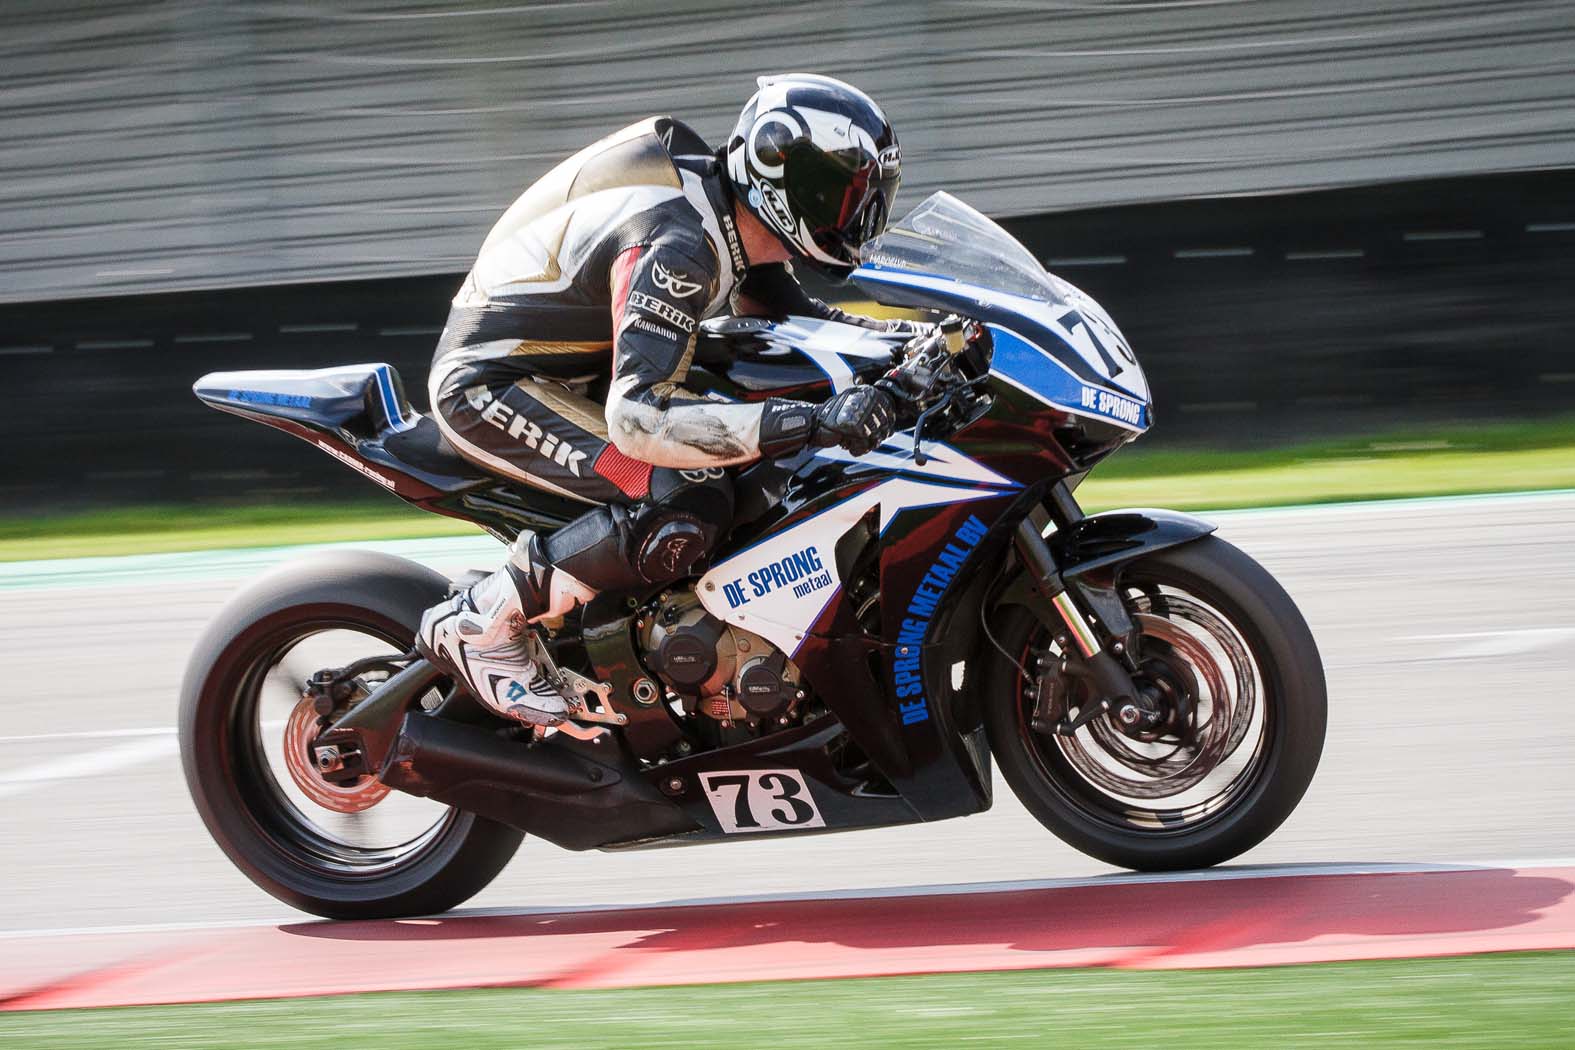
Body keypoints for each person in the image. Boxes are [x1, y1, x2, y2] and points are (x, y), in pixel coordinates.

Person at [416, 73, 921, 726]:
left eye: (866, 199)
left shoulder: (730, 217)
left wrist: (915, 341)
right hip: (492, 389)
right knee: (687, 494)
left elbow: (796, 317)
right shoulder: (681, 245)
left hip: (572, 375)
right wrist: (814, 421)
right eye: (841, 193)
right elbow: (639, 420)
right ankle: (481, 623)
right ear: (780, 173)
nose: (854, 217)